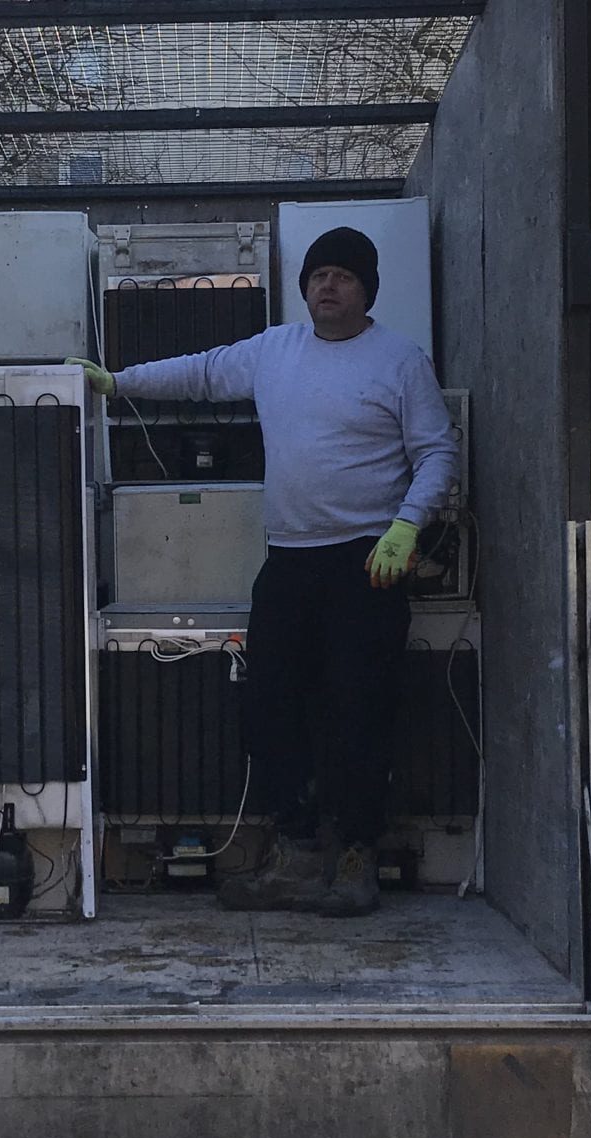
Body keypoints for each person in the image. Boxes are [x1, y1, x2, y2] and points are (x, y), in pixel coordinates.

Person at [69, 226, 457, 917]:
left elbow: (436, 454)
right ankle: (298, 852)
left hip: (366, 565)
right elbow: (199, 371)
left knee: (359, 712)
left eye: (342, 275)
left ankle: (356, 854)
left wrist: (406, 526)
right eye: (317, 276)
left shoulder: (400, 361)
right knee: (268, 705)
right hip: (288, 564)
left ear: (367, 288)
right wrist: (116, 382)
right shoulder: (274, 351)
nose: (326, 286)